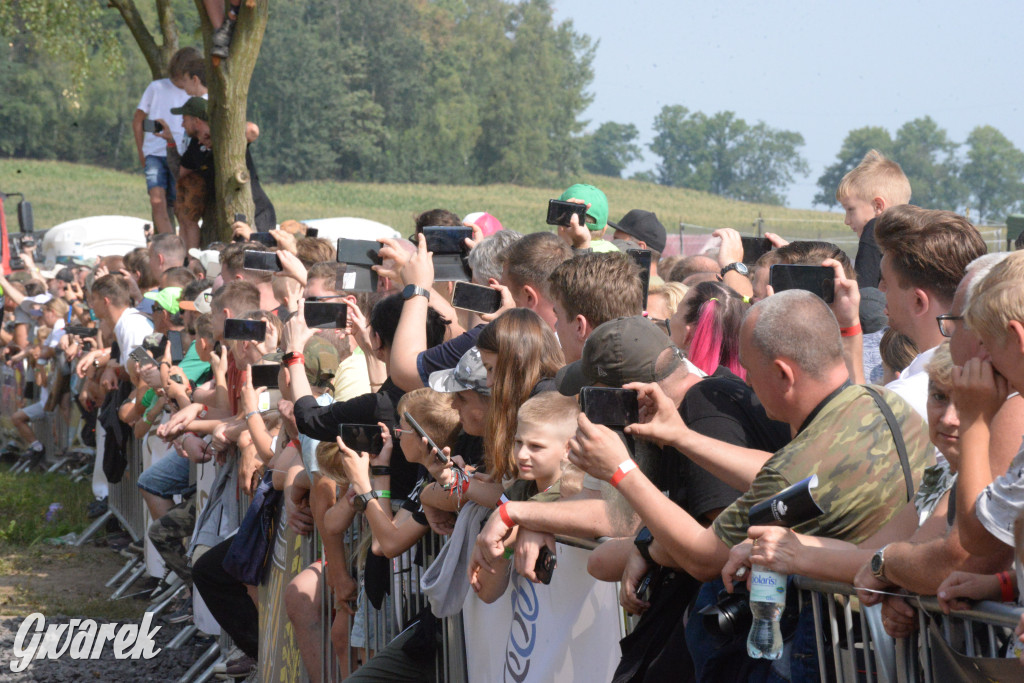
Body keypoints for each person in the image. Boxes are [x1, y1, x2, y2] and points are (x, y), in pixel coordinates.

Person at [876, 205, 986, 419]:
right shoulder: (993, 377)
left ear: (918, 301)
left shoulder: (902, 402)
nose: (880, 289)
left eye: (886, 282)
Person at [132, 48, 197, 235]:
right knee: (157, 200)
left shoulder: (196, 92)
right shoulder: (156, 88)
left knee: (179, 205)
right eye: (176, 78)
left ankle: (182, 246)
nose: (179, 83)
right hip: (155, 152)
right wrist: (141, 151)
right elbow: (138, 120)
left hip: (180, 155)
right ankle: (170, 243)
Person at [547, 251, 645, 362]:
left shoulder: (565, 378)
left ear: (580, 327)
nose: (556, 327)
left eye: (558, 317)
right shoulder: (659, 370)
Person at [835, 149, 911, 288]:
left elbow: (863, 294)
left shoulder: (874, 230)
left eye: (851, 209)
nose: (847, 220)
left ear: (878, 206)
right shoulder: (911, 235)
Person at [609, 210, 668, 280]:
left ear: (639, 248)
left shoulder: (622, 288)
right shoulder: (671, 289)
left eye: (617, 240)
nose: (610, 244)